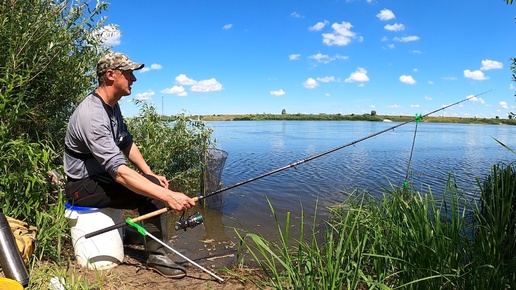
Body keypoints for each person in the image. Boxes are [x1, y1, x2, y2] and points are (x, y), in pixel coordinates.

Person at [64, 52, 196, 278]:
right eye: (128, 73)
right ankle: (156, 258)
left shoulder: (112, 106)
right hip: (81, 186)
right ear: (110, 75)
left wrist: (150, 174)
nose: (133, 79)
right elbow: (121, 174)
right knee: (152, 195)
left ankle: (140, 237)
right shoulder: (92, 115)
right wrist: (169, 196)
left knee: (153, 185)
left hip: (98, 178)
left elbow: (127, 143)